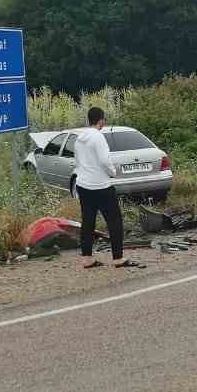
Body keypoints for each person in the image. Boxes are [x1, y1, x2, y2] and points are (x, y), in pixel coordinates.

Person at [74, 106, 139, 269]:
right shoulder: (98, 137)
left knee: (88, 221)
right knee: (114, 221)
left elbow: (78, 161)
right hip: (100, 185)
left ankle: (87, 258)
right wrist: (113, 172)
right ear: (101, 120)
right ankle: (118, 258)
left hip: (83, 184)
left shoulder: (79, 138)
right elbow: (104, 160)